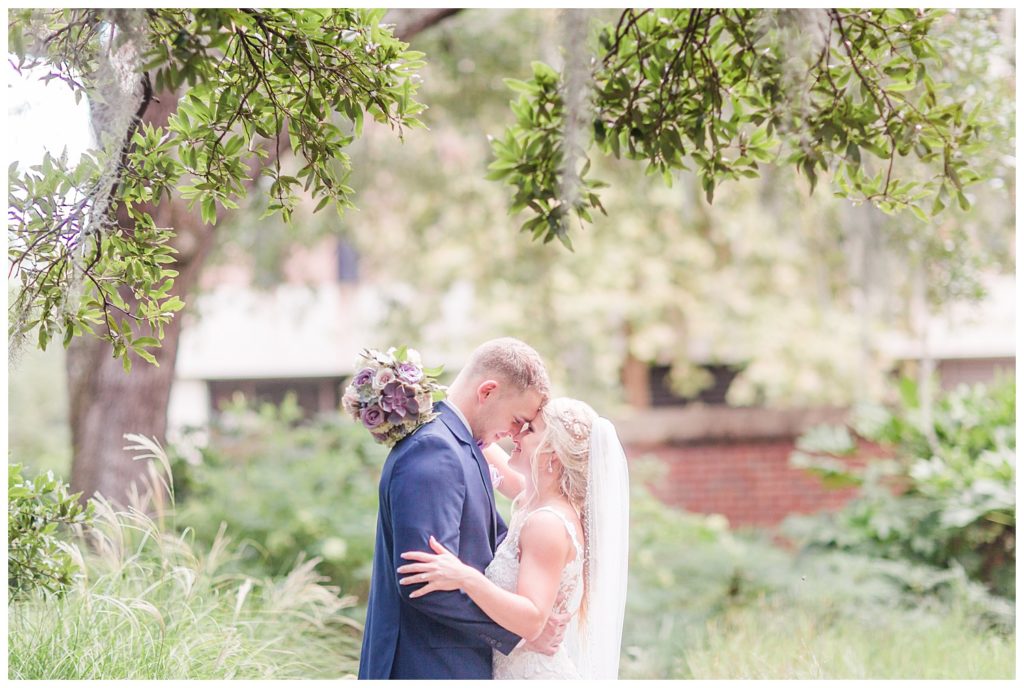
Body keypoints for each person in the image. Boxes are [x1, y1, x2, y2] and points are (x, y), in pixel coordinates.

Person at [358, 337, 566, 680]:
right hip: (425, 667)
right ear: (487, 392)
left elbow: (494, 546)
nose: (516, 433)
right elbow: (421, 583)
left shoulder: (463, 446)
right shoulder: (434, 450)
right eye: (518, 419)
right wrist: (518, 632)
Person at [397, 397, 630, 679]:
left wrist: (465, 577)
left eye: (529, 429)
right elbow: (476, 436)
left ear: (552, 455)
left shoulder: (547, 523)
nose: (515, 434)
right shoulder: (533, 498)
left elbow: (532, 619)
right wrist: (429, 396)